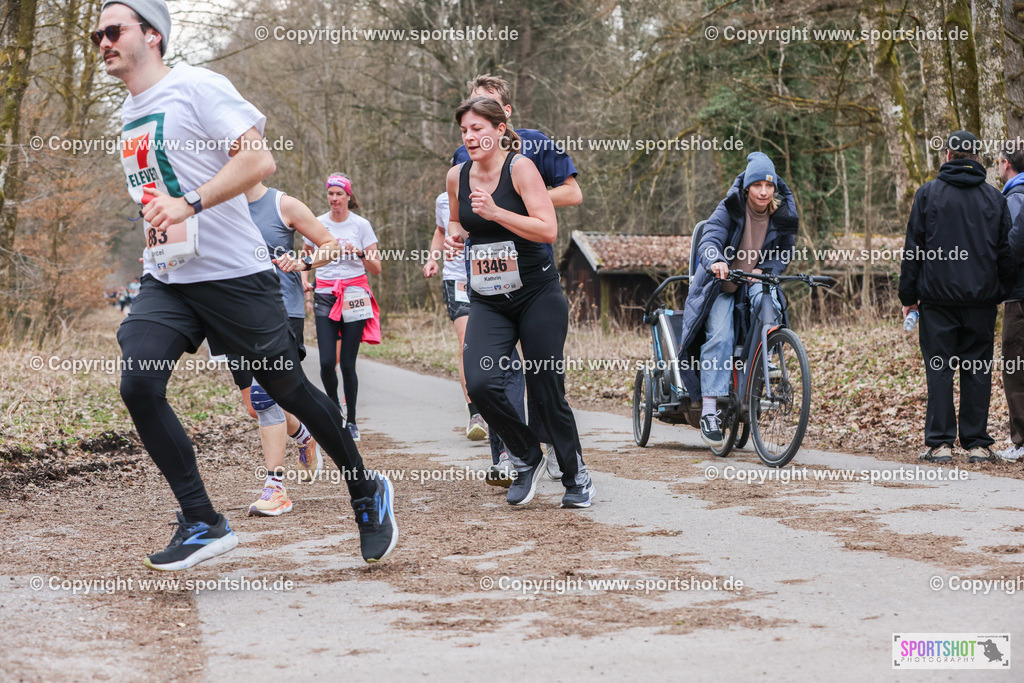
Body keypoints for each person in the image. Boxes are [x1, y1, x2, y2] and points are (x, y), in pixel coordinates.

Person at [97, 0, 396, 569]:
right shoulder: (126, 116)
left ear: (152, 35)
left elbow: (258, 160)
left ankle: (364, 489)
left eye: (114, 30)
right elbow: (154, 195)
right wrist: (157, 231)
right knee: (138, 384)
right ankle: (203, 520)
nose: (103, 42)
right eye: (97, 35)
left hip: (236, 277)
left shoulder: (197, 87)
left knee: (288, 392)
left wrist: (188, 204)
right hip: (171, 280)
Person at [444, 96, 595, 508]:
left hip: (536, 294)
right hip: (489, 298)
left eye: (477, 129)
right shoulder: (456, 175)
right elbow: (457, 219)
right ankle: (526, 456)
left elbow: (547, 229)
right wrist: (457, 236)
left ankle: (575, 472)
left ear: (498, 129)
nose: (470, 137)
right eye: (464, 131)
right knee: (480, 383)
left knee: (545, 386)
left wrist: (496, 213)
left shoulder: (521, 167)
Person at [899, 131, 1016, 464]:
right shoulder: (994, 198)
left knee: (939, 369)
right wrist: (1000, 292)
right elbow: (1005, 254)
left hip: (937, 301)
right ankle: (977, 444)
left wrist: (908, 297)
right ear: (977, 158)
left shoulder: (928, 195)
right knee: (977, 368)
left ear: (947, 155)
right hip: (980, 302)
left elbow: (913, 251)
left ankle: (940, 444)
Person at [234, 181, 343, 516]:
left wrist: (303, 262)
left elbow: (331, 245)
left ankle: (275, 487)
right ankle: (304, 434)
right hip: (234, 313)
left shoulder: (284, 205)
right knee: (256, 405)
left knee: (267, 397)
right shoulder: (217, 206)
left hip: (282, 311)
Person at [676, 152, 798, 447]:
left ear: (774, 189)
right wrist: (716, 261)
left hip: (752, 283)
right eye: (757, 185)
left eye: (769, 186)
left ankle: (766, 358)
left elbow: (784, 252)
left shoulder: (781, 216)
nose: (763, 192)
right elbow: (709, 241)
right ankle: (709, 411)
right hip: (722, 287)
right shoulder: (729, 209)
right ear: (747, 188)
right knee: (720, 335)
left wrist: (765, 270)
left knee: (770, 299)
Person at [301, 173, 382, 443]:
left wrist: (358, 252)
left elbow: (376, 267)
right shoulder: (317, 223)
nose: (334, 199)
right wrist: (305, 282)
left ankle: (353, 421)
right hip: (325, 293)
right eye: (331, 194)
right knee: (326, 363)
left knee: (348, 363)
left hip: (355, 294)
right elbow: (306, 255)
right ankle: (335, 410)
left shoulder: (361, 225)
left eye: (339, 194)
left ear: (348, 196)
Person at [423, 191, 489, 442]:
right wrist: (433, 259)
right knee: (466, 343)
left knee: (494, 343)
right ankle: (475, 413)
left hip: (489, 274)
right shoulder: (442, 199)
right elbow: (441, 230)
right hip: (458, 278)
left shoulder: (493, 191)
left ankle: (499, 405)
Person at [996, 145, 1024, 461]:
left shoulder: (1016, 197)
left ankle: (1021, 441)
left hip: (1019, 296)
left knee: (1015, 368)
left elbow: (1013, 245)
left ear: (1006, 165)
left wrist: (997, 281)